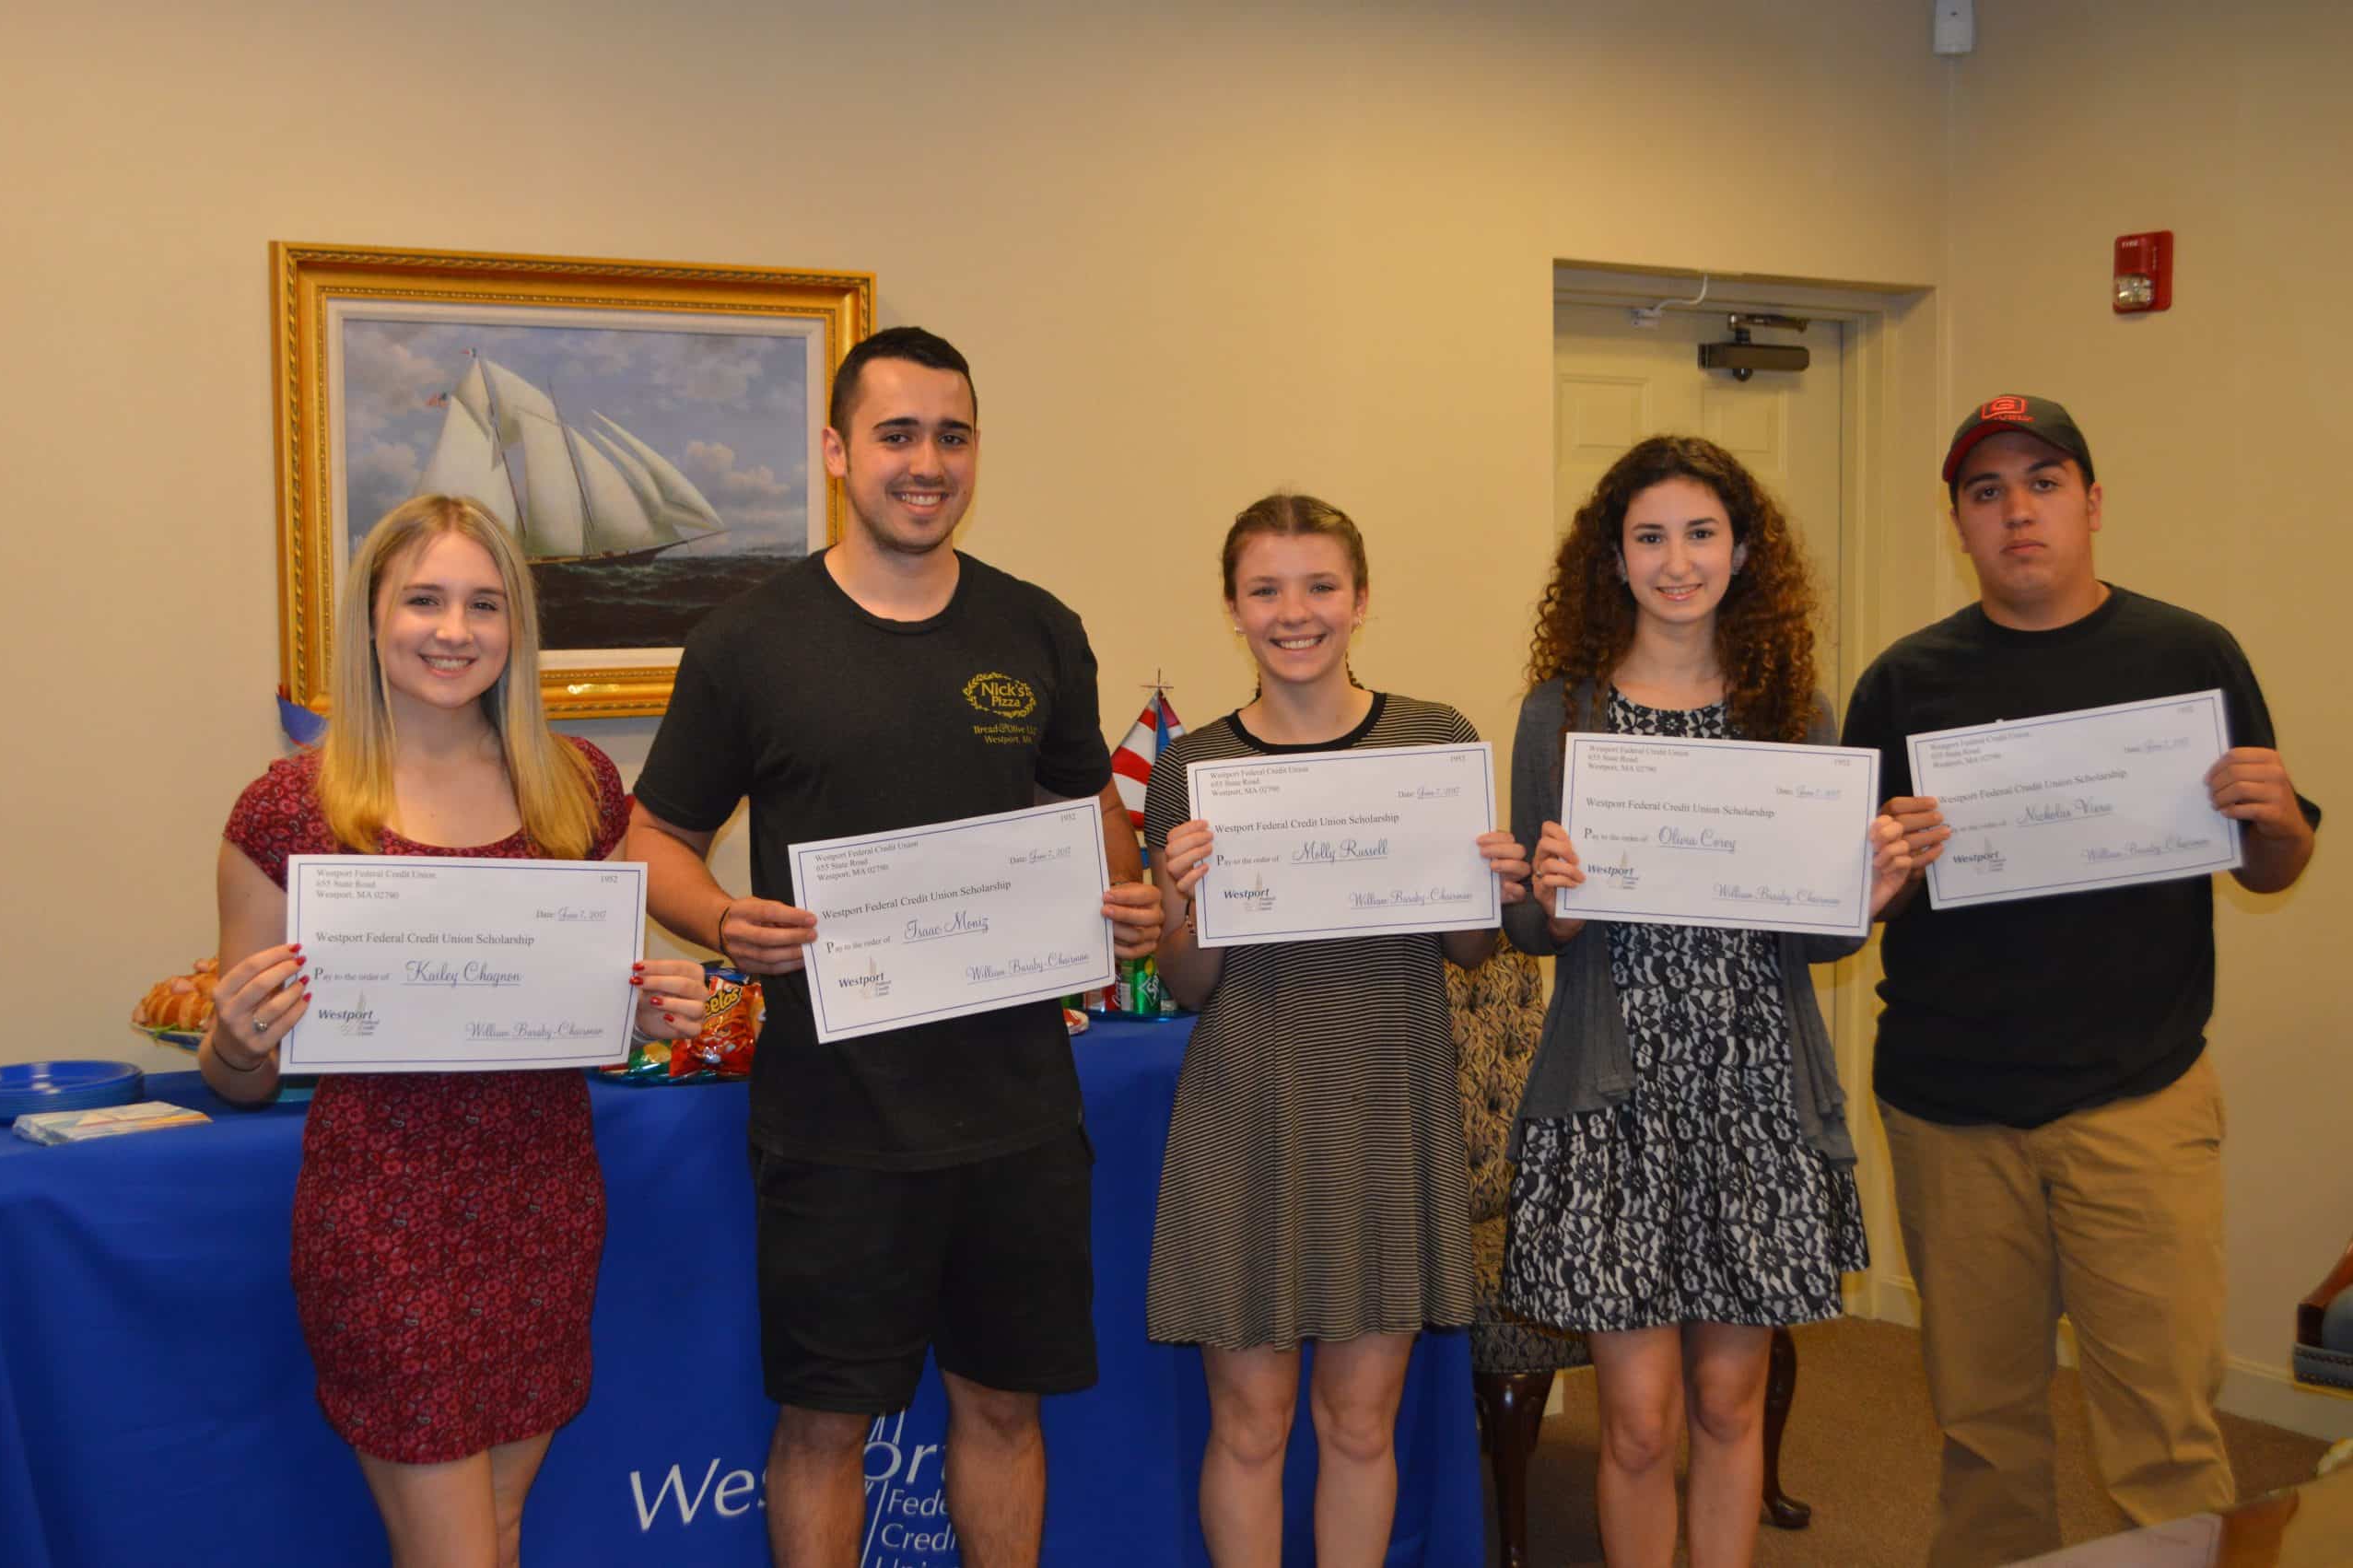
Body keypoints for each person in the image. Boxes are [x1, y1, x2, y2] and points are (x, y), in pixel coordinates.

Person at [625, 325, 1163, 1568]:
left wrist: (1126, 901)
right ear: (836, 451)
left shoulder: (1036, 629)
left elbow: (1089, 820)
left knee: (1002, 1405)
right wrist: (720, 916)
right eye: (898, 434)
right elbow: (652, 836)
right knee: (824, 1426)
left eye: (953, 435)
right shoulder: (749, 641)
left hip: (1019, 1105)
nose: (928, 462)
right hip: (835, 1113)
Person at [1841, 395, 2321, 1566]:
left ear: (2091, 503)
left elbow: (2270, 861)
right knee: (1983, 1429)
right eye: (1987, 492)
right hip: (1949, 1108)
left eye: (2043, 483)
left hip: (2136, 1102)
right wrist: (1883, 869)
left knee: (2162, 1431)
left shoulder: (2185, 654)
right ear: (1957, 519)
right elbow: (1845, 910)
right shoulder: (1906, 682)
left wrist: (2275, 820)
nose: (2018, 512)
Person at [199, 493, 709, 1567]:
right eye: (423, 599)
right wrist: (238, 1042)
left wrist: (649, 1007)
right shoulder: (288, 812)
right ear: (372, 618)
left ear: (517, 628)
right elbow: (241, 1075)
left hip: (543, 1203)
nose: (453, 629)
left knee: (504, 1529)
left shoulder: (576, 788)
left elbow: (595, 1005)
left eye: (484, 604)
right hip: (382, 1218)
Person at [1497, 436, 1911, 1568]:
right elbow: (1530, 923)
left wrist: (1867, 891)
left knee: (1729, 1407)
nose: (1676, 561)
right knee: (1636, 1421)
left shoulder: (1795, 707)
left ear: (1741, 551)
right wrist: (1554, 903)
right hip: (1610, 1100)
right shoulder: (1562, 709)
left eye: (1699, 533)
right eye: (1648, 537)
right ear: (1613, 559)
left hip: (1755, 1096)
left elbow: (1817, 933)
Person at [1145, 493, 1530, 1566]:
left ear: (1361, 599)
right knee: (1251, 1424)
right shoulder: (1193, 770)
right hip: (1243, 1115)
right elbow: (1184, 985)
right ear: (1232, 608)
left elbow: (1469, 951)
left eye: (1319, 586)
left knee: (1360, 1425)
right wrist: (1180, 897)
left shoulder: (1435, 740)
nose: (1294, 612)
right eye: (1265, 589)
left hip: (1385, 1110)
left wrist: (1486, 883)